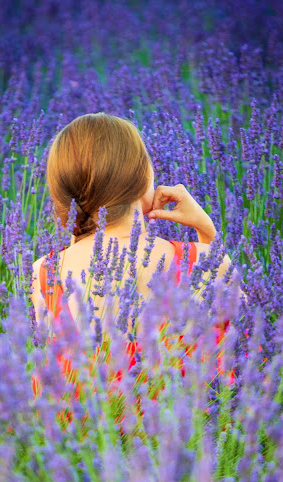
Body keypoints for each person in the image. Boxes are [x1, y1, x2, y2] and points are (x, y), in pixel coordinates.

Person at [28, 113, 236, 432]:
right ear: (143, 180)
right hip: (187, 458)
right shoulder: (202, 260)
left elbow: (49, 383)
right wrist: (207, 234)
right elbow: (240, 347)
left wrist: (78, 227)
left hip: (85, 465)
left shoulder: (46, 273)